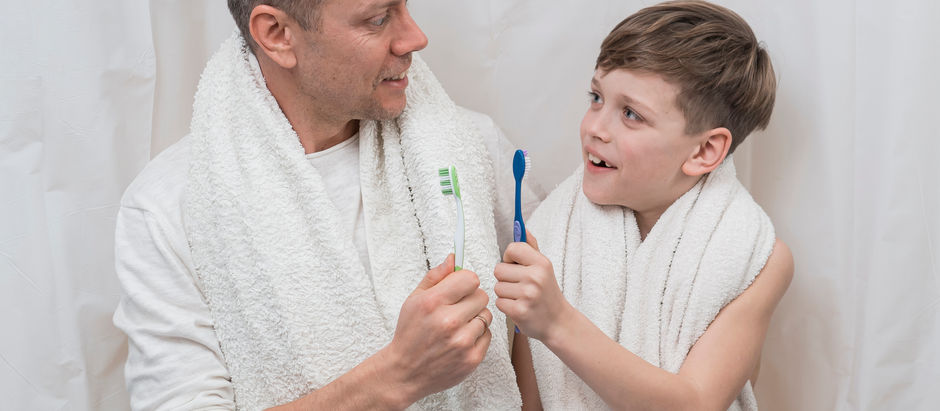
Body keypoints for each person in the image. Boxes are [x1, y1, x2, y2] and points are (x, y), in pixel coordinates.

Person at [112, 0, 540, 409]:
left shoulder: (470, 150)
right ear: (277, 34)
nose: (415, 37)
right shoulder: (171, 209)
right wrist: (398, 376)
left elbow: (548, 341)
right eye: (377, 18)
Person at [494, 1, 794, 410]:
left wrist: (557, 322)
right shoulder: (554, 230)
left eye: (631, 114)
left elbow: (696, 403)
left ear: (705, 150)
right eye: (596, 96)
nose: (595, 127)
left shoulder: (754, 258)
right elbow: (528, 402)